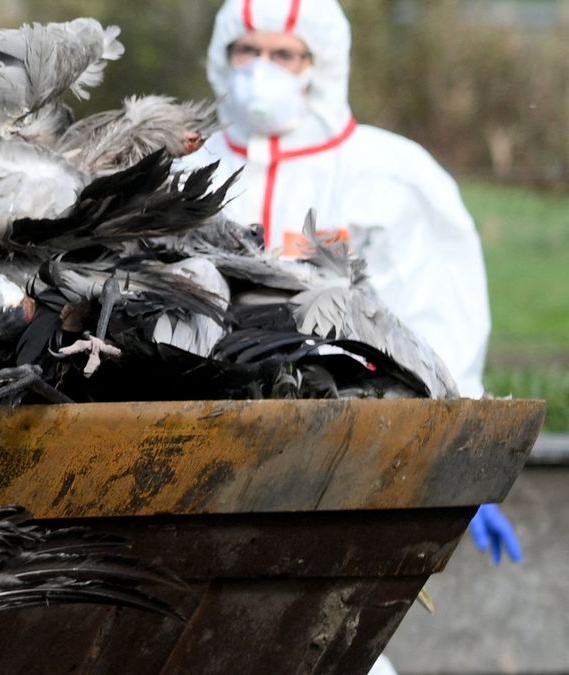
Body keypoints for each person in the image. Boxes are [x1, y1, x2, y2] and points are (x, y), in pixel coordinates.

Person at [182, 4, 522, 669]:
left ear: (321, 63)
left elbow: (437, 314)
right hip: (203, 456)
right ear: (223, 55)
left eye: (286, 55)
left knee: (328, 639)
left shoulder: (390, 176)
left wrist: (459, 447)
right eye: (247, 51)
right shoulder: (180, 170)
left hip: (344, 457)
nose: (262, 71)